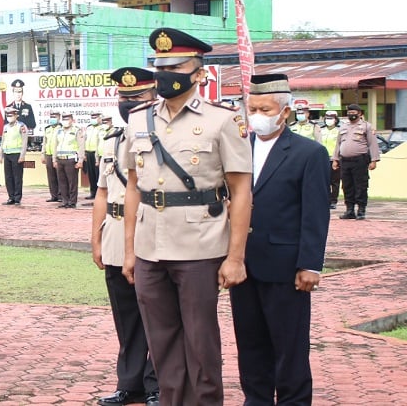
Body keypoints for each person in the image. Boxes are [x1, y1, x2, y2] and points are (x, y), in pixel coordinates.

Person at [122, 27, 252, 406]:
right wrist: (130, 250)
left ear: (198, 73)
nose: (164, 74)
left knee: (200, 341)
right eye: (158, 66)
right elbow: (134, 187)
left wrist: (236, 256)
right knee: (161, 340)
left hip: (200, 244)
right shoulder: (139, 119)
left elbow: (241, 191)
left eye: (175, 66)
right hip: (150, 245)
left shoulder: (222, 120)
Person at [230, 73, 330, 405]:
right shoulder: (238, 148)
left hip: (286, 268)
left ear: (284, 112)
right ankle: (255, 400)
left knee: (289, 347)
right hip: (243, 265)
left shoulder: (308, 153)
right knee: (250, 343)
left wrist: (310, 265)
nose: (257, 115)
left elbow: (316, 214)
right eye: (252, 108)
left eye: (264, 108)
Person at [92, 67, 159, 406]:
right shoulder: (112, 139)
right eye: (123, 98)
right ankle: (129, 382)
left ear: (154, 98)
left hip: (150, 234)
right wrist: (96, 238)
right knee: (126, 316)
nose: (129, 103)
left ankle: (156, 384)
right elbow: (102, 193)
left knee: (157, 316)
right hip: (116, 234)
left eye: (137, 98)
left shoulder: (162, 137)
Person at [332, 103, 380, 220]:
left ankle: (361, 210)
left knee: (361, 186)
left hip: (360, 160)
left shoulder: (366, 126)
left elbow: (372, 144)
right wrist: (335, 159)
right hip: (345, 161)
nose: (351, 115)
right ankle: (350, 210)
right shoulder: (343, 127)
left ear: (359, 114)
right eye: (349, 112)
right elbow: (338, 144)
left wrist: (374, 160)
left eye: (354, 113)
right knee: (347, 186)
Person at [52, 113, 85, 209]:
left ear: (72, 120)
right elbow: (55, 146)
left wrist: (80, 160)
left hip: (71, 159)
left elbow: (81, 146)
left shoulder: (76, 130)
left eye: (67, 119)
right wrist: (54, 159)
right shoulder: (59, 131)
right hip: (60, 158)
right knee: (62, 182)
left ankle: (72, 201)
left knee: (72, 182)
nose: (66, 121)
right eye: (64, 119)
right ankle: (64, 201)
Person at [0, 106, 28, 205]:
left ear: (16, 115)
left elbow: (24, 142)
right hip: (7, 154)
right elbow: (3, 141)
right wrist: (0, 155)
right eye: (8, 115)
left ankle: (17, 197)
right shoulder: (6, 127)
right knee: (8, 177)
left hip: (17, 154)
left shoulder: (21, 126)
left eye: (11, 115)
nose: (9, 117)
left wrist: (22, 155)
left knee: (17, 177)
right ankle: (10, 197)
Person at [84, 112, 108, 200]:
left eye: (95, 117)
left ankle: (99, 193)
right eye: (92, 117)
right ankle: (92, 192)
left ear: (100, 118)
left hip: (97, 153)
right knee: (91, 174)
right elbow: (85, 140)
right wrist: (84, 153)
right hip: (89, 152)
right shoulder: (89, 128)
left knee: (98, 173)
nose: (93, 119)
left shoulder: (102, 128)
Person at [321, 110, 342, 209]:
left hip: (334, 159)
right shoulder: (321, 130)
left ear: (336, 120)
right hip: (323, 159)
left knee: (335, 181)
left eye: (331, 118)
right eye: (327, 118)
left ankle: (333, 201)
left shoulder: (339, 131)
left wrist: (337, 158)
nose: (329, 120)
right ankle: (326, 199)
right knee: (324, 181)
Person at [41, 111, 62, 202]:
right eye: (51, 117)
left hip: (57, 155)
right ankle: (54, 195)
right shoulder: (47, 129)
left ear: (59, 118)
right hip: (48, 154)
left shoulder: (61, 128)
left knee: (60, 175)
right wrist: (43, 154)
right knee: (51, 176)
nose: (52, 118)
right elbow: (44, 142)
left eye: (55, 117)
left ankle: (61, 195)